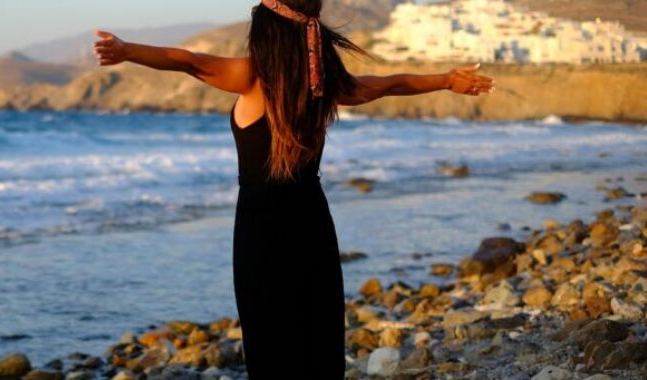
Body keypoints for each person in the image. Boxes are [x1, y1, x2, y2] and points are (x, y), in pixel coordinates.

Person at [94, 0, 494, 378]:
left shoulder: (250, 77)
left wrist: (127, 50)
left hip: (261, 230)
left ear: (266, 34)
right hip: (313, 223)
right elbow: (388, 84)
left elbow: (189, 61)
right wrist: (445, 80)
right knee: (316, 332)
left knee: (270, 340)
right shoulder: (326, 84)